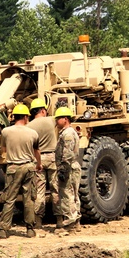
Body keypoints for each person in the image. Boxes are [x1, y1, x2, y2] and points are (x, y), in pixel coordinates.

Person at [0, 103, 42, 239]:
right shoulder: (33, 133)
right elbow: (36, 152)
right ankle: (30, 230)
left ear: (13, 116)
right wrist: (38, 164)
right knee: (29, 199)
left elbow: (3, 149)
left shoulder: (6, 131)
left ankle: (3, 230)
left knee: (9, 199)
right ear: (26, 117)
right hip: (28, 167)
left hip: (12, 168)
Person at [27, 98, 59, 234]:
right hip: (52, 158)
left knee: (39, 191)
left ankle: (38, 222)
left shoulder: (29, 126)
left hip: (38, 159)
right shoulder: (51, 121)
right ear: (43, 110)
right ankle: (60, 221)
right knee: (56, 189)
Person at [54, 106, 82, 234]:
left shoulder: (68, 133)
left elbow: (68, 153)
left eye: (58, 118)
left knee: (67, 195)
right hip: (72, 166)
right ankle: (76, 223)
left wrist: (63, 169)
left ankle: (70, 224)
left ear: (65, 119)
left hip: (69, 166)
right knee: (74, 195)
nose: (56, 121)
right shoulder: (67, 132)